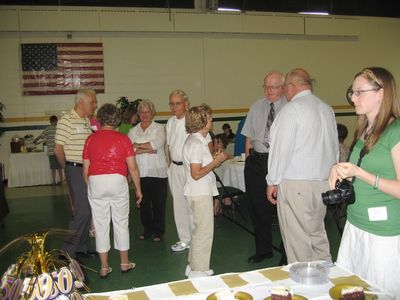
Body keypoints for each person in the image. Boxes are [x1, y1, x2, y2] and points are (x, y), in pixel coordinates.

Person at [328, 67, 400, 297]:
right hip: (356, 223)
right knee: (352, 288)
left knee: (381, 292)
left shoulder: (395, 131)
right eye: (352, 92)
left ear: (381, 93)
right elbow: (359, 167)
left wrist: (360, 174)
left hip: (383, 233)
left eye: (360, 92)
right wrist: (340, 169)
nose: (353, 97)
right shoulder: (365, 129)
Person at [266, 68, 338, 264]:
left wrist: (272, 181)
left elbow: (281, 150)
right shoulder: (326, 108)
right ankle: (325, 277)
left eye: (284, 87)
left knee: (297, 243)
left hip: (297, 185)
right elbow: (335, 147)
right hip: (323, 183)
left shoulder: (291, 110)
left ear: (291, 86)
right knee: (317, 235)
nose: (283, 92)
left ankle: (303, 288)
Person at [83, 103, 142, 278]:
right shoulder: (124, 139)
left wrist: (91, 188)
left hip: (96, 181)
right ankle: (124, 263)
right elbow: (133, 168)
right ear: (116, 119)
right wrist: (138, 189)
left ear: (100, 119)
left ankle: (104, 267)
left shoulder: (90, 139)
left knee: (100, 225)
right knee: (121, 222)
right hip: (118, 180)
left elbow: (85, 170)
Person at [241, 71, 287, 263]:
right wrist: (249, 159)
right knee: (258, 208)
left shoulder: (291, 107)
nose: (269, 90)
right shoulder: (256, 106)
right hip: (257, 162)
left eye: (273, 87)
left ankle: (287, 253)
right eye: (266, 86)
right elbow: (249, 137)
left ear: (283, 88)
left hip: (281, 162)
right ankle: (263, 249)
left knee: (284, 210)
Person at [183, 105, 228, 278]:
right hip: (199, 191)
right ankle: (199, 271)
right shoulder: (196, 143)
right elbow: (196, 173)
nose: (212, 121)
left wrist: (215, 159)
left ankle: (193, 265)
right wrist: (215, 162)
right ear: (201, 121)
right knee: (204, 232)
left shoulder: (198, 140)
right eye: (209, 118)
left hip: (198, 191)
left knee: (198, 230)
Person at [54, 89, 98, 259]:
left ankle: (81, 248)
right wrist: (68, 168)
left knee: (88, 209)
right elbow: (58, 149)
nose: (95, 105)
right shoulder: (67, 120)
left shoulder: (86, 121)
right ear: (82, 102)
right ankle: (66, 251)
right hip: (75, 168)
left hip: (87, 169)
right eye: (92, 102)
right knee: (82, 210)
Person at [128, 100, 168, 242]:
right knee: (143, 204)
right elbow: (129, 150)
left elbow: (157, 144)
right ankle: (147, 229)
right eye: (142, 112)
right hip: (139, 173)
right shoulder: (132, 131)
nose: (144, 114)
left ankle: (158, 231)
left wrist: (138, 147)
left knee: (159, 203)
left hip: (158, 172)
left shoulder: (159, 128)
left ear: (152, 113)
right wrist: (148, 148)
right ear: (138, 114)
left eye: (147, 111)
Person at [166, 89, 192, 252]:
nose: (174, 107)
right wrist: (169, 166)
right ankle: (184, 239)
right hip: (174, 168)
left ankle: (196, 239)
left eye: (178, 103)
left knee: (192, 204)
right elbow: (169, 146)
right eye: (172, 104)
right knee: (179, 204)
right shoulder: (170, 122)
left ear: (186, 104)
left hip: (190, 168)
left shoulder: (192, 121)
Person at [34, 115, 65, 185]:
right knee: (59, 167)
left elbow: (40, 137)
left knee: (53, 168)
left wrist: (35, 141)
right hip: (59, 152)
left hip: (51, 152)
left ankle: (54, 181)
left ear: (50, 121)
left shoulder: (47, 129)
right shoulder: (59, 129)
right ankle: (62, 181)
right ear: (57, 121)